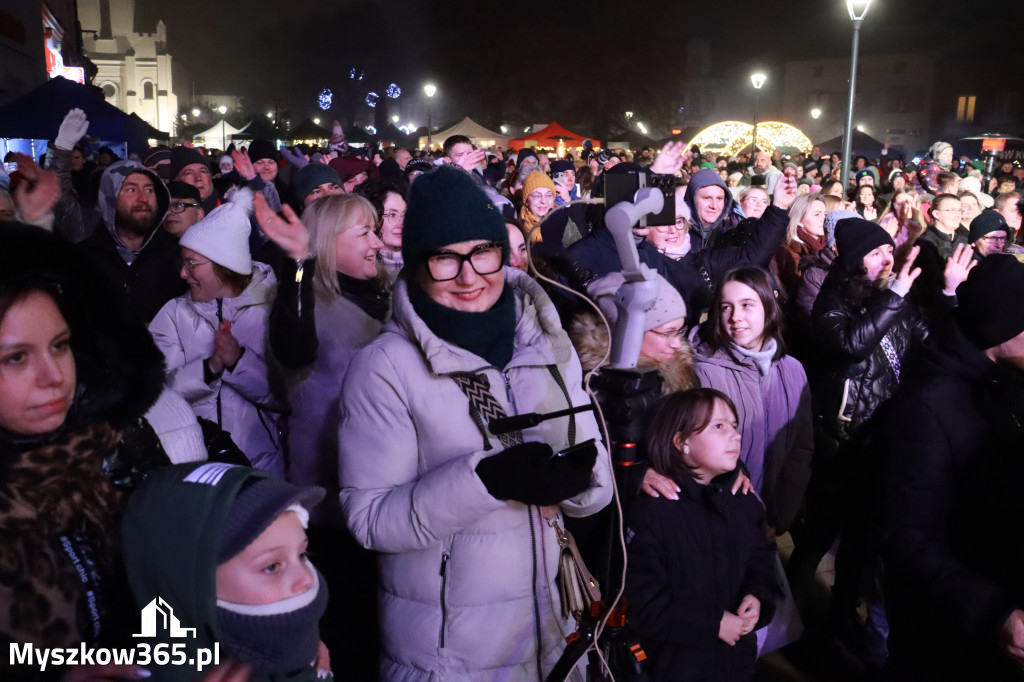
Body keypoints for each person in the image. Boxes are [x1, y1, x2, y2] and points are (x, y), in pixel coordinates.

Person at [337, 166, 612, 680]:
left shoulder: (547, 345)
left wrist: (580, 481)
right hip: (450, 657)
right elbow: (370, 520)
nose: (469, 276)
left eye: (482, 252)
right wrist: (485, 481)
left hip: (552, 641)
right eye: (445, 258)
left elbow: (595, 492)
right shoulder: (385, 367)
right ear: (417, 264)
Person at [0, 225, 206, 680]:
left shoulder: (114, 446)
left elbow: (177, 587)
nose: (53, 375)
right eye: (15, 357)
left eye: (60, 345)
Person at [787, 217, 930, 659]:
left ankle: (843, 613)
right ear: (853, 260)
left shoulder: (894, 298)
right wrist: (894, 298)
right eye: (875, 253)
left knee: (864, 538)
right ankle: (788, 617)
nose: (887, 259)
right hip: (842, 439)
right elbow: (850, 343)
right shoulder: (832, 299)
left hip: (883, 439)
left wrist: (943, 296)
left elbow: (928, 344)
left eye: (889, 250)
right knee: (819, 533)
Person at [876, 255, 1024, 681]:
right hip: (947, 644)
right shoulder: (924, 408)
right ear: (1002, 331)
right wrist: (995, 615)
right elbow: (906, 538)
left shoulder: (1007, 384)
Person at [122, 462, 332, 681]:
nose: (306, 578)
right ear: (191, 585)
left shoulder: (294, 655)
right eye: (272, 566)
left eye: (302, 555)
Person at [625, 388, 777, 682]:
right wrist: (713, 624)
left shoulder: (742, 502)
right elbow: (640, 599)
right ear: (681, 441)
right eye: (718, 426)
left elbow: (761, 558)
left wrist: (757, 596)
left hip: (735, 663)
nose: (735, 435)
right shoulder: (654, 511)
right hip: (674, 667)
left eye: (734, 425)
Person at [149, 189, 286, 475]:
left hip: (261, 467)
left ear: (225, 265)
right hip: (193, 467)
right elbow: (158, 395)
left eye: (192, 264)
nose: (183, 274)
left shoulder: (272, 312)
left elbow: (288, 397)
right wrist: (211, 368)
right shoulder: (174, 315)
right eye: (182, 262)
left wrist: (237, 362)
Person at [691, 266, 813, 535]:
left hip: (766, 523)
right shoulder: (703, 373)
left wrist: (779, 516)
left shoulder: (793, 371)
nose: (735, 317)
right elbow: (695, 459)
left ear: (769, 307)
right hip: (718, 522)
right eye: (726, 307)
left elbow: (800, 449)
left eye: (747, 305)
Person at [80, 159, 186, 323]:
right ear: (109, 199)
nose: (143, 198)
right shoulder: (81, 259)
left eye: (149, 190)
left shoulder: (178, 254)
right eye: (131, 190)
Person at [775, 194, 827, 299]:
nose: (824, 219)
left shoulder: (830, 245)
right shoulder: (786, 250)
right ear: (799, 220)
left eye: (825, 214)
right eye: (817, 214)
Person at [355, 179, 406, 281]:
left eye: (405, 215)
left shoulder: (420, 261)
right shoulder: (359, 269)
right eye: (392, 215)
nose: (402, 223)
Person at [520, 170, 557, 242]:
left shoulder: (564, 219)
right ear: (526, 201)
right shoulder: (520, 228)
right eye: (537, 196)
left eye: (548, 195)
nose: (543, 201)